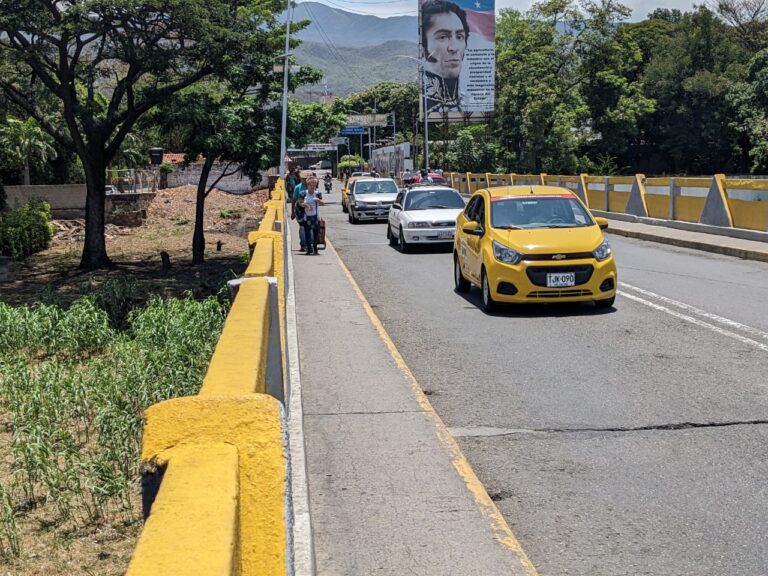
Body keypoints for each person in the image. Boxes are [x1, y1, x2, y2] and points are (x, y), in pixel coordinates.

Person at [421, 0, 469, 113]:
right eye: (443, 37)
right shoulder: (423, 102)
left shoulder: (473, 103)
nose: (454, 47)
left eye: (459, 37)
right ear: (423, 46)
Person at [297, 174, 324, 255]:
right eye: (311, 185)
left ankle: (315, 249)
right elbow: (300, 203)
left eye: (314, 185)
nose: (312, 187)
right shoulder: (303, 193)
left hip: (315, 217)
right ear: (307, 185)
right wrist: (306, 205)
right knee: (308, 234)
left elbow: (323, 203)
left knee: (316, 235)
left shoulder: (317, 194)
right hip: (306, 217)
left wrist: (318, 201)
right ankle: (309, 249)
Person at [291, 173, 308, 251]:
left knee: (309, 227)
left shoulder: (310, 186)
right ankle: (303, 244)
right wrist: (292, 212)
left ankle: (310, 243)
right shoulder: (298, 188)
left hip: (309, 210)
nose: (304, 180)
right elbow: (294, 200)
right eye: (303, 179)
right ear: (300, 179)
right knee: (302, 227)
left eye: (305, 179)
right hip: (300, 210)